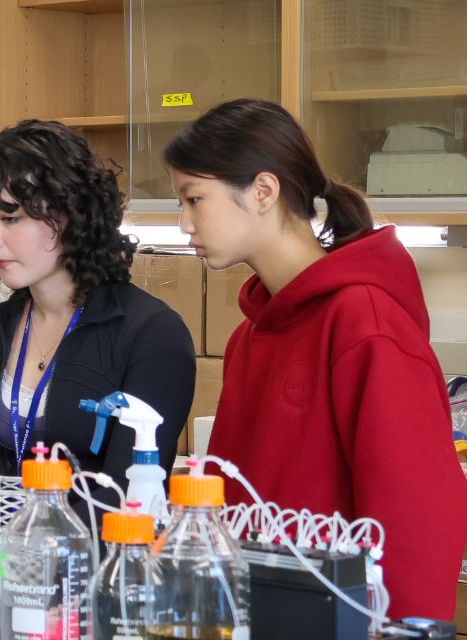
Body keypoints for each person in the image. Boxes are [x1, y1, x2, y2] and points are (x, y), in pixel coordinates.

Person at [165, 98, 467, 620]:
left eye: (194, 199)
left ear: (262, 191)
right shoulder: (249, 336)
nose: (183, 223)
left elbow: (418, 522)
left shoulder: (364, 324)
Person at [0, 120, 196, 514]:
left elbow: (124, 499)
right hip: (11, 565)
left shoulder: (151, 335)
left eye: (9, 217)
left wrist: (7, 541)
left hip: (103, 564)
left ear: (69, 215)